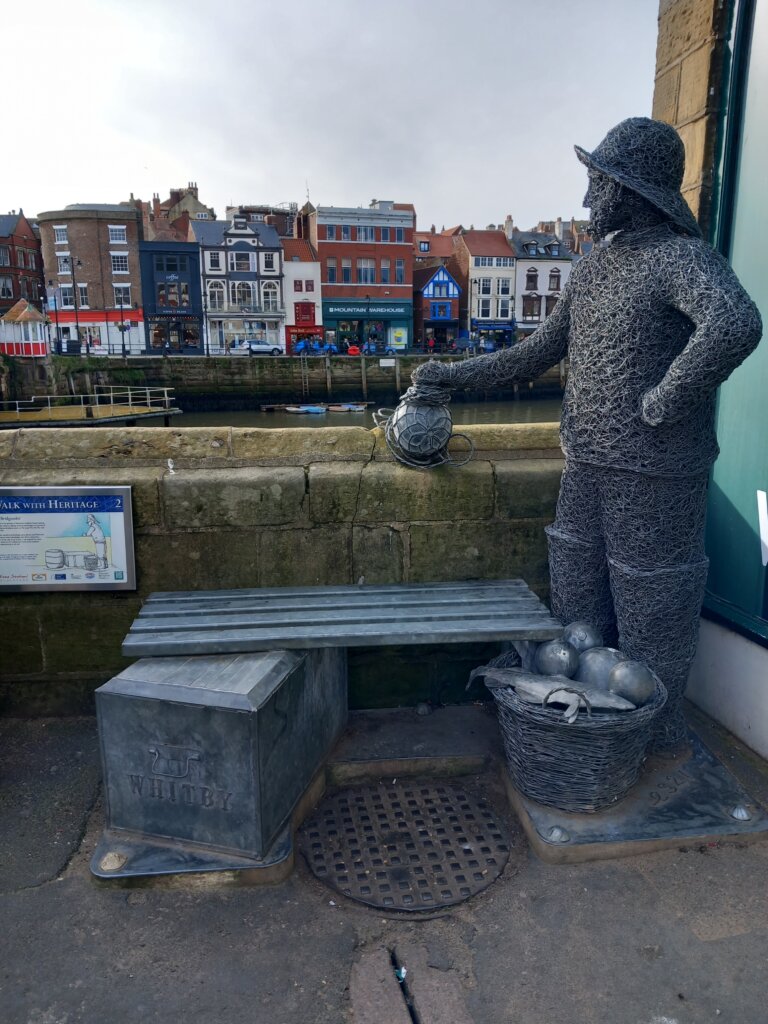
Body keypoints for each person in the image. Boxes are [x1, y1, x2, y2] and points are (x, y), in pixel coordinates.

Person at [412, 118, 762, 751]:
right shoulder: (593, 268)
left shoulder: (681, 259)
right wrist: (449, 374)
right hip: (587, 464)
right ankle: (590, 733)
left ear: (630, 189)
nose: (587, 199)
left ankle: (650, 741)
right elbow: (532, 355)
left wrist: (666, 397)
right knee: (576, 598)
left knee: (652, 602)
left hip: (656, 473)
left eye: (597, 182)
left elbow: (734, 321)